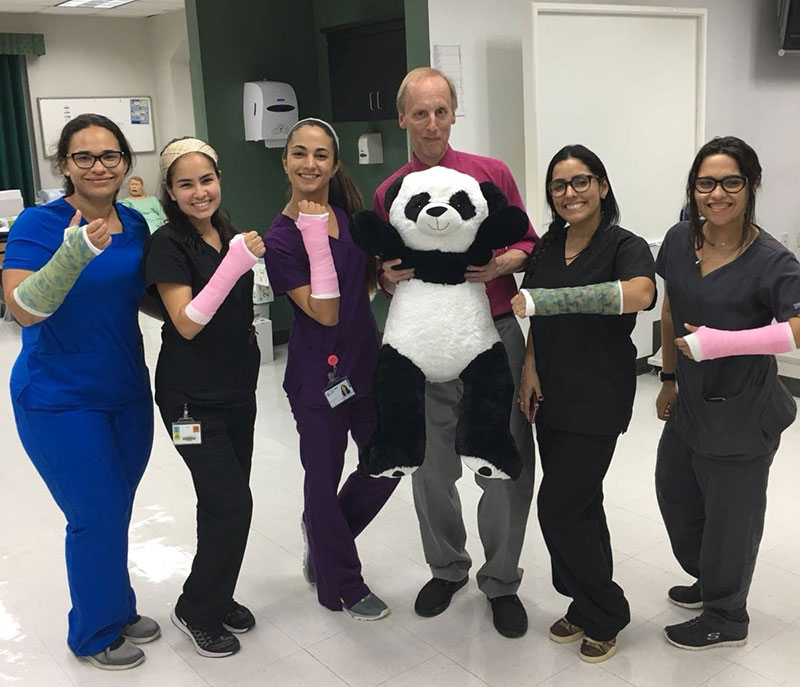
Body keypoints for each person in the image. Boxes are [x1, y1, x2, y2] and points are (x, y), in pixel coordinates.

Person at [372, 67, 536, 638]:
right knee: (430, 463)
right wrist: (386, 276)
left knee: (505, 458)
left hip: (493, 332)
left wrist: (502, 263)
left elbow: (526, 241)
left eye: (442, 111)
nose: (433, 123)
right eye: (421, 113)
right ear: (402, 119)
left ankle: (502, 579)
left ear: (454, 113)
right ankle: (446, 567)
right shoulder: (390, 189)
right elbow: (385, 266)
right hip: (423, 340)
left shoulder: (492, 175)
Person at [2, 113, 158, 670]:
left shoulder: (135, 225)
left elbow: (142, 293)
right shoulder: (38, 226)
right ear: (64, 164)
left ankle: (116, 606)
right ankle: (93, 632)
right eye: (84, 157)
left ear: (126, 163)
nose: (99, 167)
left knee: (116, 506)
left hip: (126, 389)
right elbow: (21, 308)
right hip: (59, 396)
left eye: (110, 155)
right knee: (94, 513)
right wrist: (72, 254)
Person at [654, 136, 800, 650]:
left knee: (731, 521)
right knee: (676, 492)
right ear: (693, 190)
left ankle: (726, 614)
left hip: (743, 409)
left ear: (751, 185)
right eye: (706, 183)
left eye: (731, 182)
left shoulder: (773, 261)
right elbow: (671, 308)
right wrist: (669, 378)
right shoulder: (678, 239)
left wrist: (724, 343)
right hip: (690, 400)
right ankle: (709, 578)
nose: (718, 194)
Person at [512, 144, 656, 662]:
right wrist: (529, 368)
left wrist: (551, 301)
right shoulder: (550, 246)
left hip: (599, 396)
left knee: (559, 506)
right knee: (583, 504)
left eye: (580, 182)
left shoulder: (625, 245)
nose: (570, 193)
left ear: (602, 186)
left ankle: (607, 610)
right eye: (559, 185)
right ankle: (583, 601)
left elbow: (639, 294)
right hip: (551, 392)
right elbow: (536, 316)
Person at [264, 118, 398, 620]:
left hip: (367, 362)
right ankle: (343, 583)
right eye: (299, 153)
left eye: (321, 155)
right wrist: (314, 237)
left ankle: (323, 534)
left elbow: (365, 285)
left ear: (334, 164)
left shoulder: (348, 215)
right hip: (318, 376)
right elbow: (323, 311)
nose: (309, 164)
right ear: (285, 160)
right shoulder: (280, 239)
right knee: (322, 478)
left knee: (390, 460)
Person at [143, 137, 264, 657]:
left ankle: (216, 593)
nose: (199, 192)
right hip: (189, 402)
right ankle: (197, 608)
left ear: (219, 179)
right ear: (170, 191)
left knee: (221, 504)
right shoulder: (168, 244)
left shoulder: (229, 235)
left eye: (206, 180)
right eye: (186, 184)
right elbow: (188, 323)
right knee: (232, 505)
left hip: (238, 394)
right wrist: (236, 264)